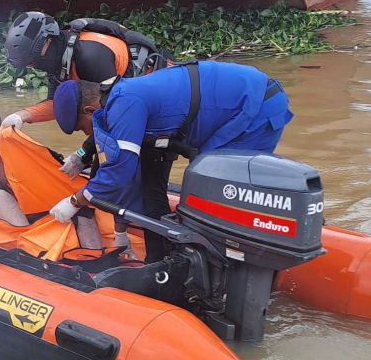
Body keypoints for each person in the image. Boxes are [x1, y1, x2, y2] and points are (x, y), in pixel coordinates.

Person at [48, 61, 292, 260]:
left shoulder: (125, 103)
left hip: (256, 109)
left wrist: (74, 202)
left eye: (83, 128)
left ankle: (235, 265)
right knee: (201, 186)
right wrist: (120, 231)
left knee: (223, 196)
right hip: (236, 109)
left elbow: (119, 173)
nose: (87, 134)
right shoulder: (118, 96)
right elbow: (124, 172)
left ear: (90, 111)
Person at [1, 11, 170, 177]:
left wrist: (83, 154)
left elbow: (114, 113)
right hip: (132, 105)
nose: (35, 67)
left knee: (139, 177)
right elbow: (55, 103)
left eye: (32, 63)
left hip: (162, 99)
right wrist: (20, 116)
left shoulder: (89, 58)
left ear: (47, 43)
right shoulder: (59, 61)